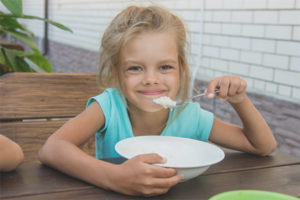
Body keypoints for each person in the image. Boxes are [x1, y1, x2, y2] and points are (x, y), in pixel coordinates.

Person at [38, 5, 277, 197]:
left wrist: (240, 100)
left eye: (165, 67)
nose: (151, 79)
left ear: (181, 69)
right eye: (135, 68)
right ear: (116, 73)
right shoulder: (109, 107)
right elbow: (52, 149)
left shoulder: (190, 116)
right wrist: (114, 177)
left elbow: (262, 147)